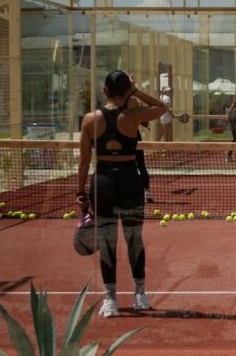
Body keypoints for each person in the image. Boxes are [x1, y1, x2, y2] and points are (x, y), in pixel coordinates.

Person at [76, 69, 166, 318]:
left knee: (107, 240)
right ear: (127, 91)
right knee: (134, 237)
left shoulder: (89, 120)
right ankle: (140, 295)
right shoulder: (134, 115)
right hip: (129, 179)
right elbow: (161, 107)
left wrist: (79, 192)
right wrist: (135, 92)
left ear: (105, 90)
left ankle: (111, 300)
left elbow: (84, 162)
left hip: (103, 181)